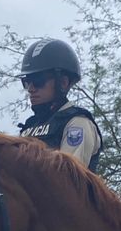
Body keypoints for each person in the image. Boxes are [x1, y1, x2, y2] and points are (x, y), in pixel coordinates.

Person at [16, 38, 102, 171]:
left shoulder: (77, 122)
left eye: (38, 81)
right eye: (27, 82)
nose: (31, 89)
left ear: (63, 82)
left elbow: (68, 178)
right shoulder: (28, 127)